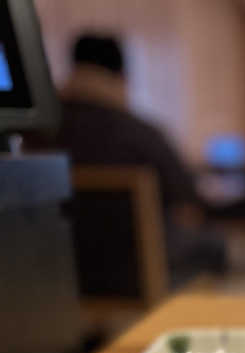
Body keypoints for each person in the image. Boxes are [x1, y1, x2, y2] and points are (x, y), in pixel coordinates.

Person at [31, 34, 227, 285]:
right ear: (122, 75)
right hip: (137, 275)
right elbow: (187, 209)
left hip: (55, 274)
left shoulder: (35, 135)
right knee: (213, 245)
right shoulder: (143, 135)